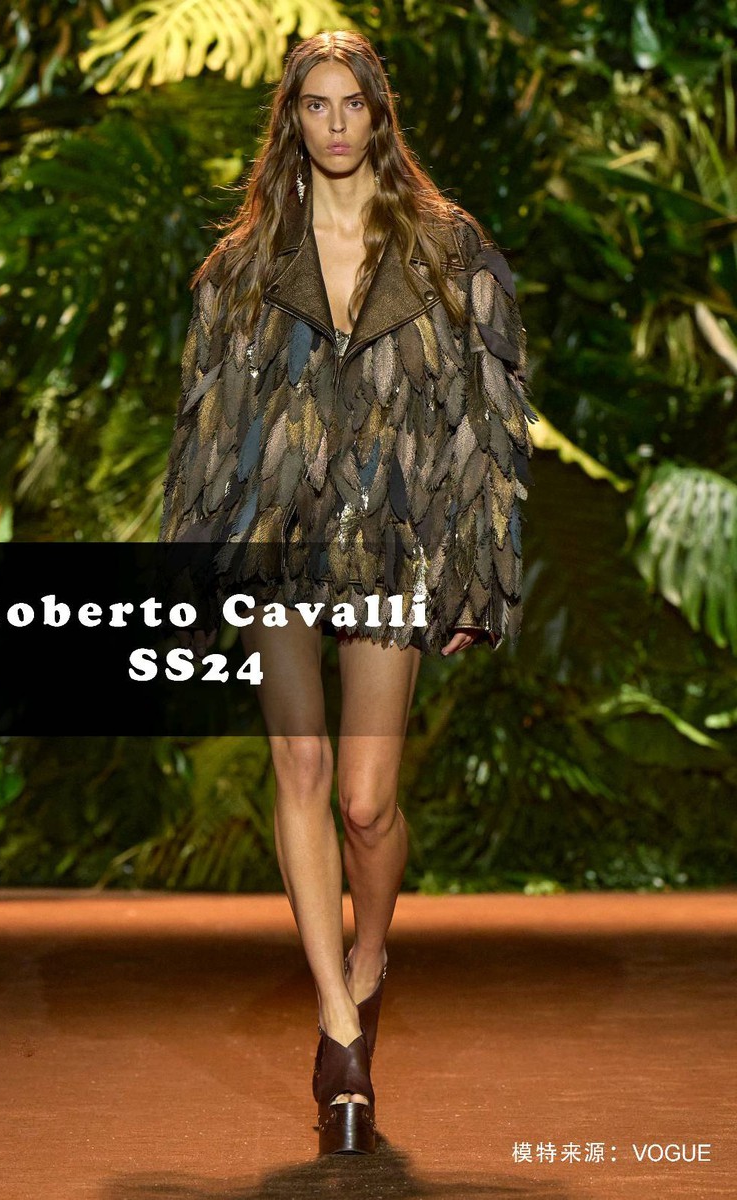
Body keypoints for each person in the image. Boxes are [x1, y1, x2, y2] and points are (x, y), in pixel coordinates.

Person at [158, 30, 538, 1156]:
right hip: (275, 539)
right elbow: (204, 430)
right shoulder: (241, 266)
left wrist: (479, 573)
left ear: (379, 115)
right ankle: (337, 1029)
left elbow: (492, 421)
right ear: (291, 120)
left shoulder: (448, 250)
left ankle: (370, 954)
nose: (333, 124)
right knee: (303, 766)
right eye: (314, 105)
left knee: (368, 802)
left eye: (350, 104)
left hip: (390, 540)